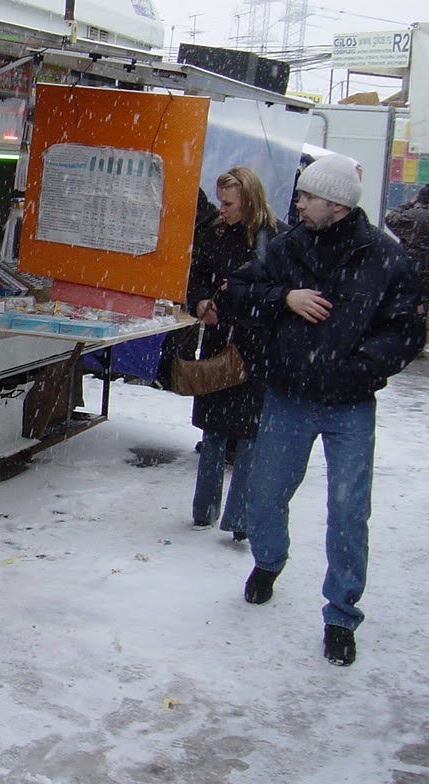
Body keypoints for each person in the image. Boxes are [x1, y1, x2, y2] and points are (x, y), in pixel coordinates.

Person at [218, 153, 425, 666]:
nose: (300, 203)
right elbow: (237, 293)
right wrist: (284, 298)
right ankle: (268, 561)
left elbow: (405, 331)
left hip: (349, 406)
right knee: (264, 496)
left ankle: (340, 614)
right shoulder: (288, 248)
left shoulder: (385, 257)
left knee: (349, 511)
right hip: (288, 397)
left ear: (335, 204)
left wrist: (355, 370)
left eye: (308, 196)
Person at [186, 168, 282, 540]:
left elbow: (279, 294)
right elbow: (195, 275)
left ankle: (239, 520)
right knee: (212, 428)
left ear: (249, 200)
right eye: (221, 201)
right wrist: (200, 302)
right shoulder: (213, 233)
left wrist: (242, 304)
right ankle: (203, 511)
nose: (221, 209)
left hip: (256, 348)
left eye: (228, 203)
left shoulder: (275, 239)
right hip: (217, 340)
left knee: (249, 436)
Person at [384, 184, 429, 335]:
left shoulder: (413, 216)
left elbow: (390, 219)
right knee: (423, 303)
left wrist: (409, 203)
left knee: (410, 302)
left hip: (412, 266)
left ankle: (408, 335)